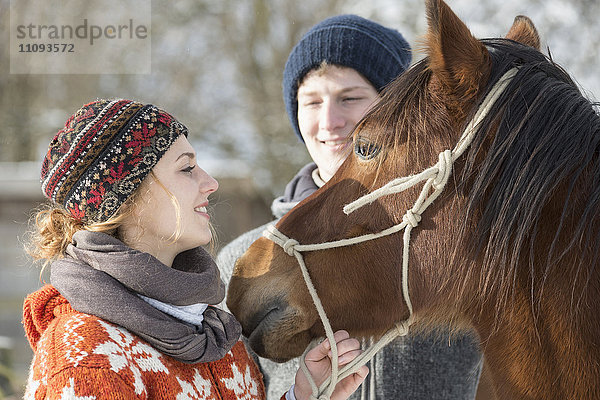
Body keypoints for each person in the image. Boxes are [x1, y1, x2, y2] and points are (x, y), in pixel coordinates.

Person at [22, 99, 369, 400]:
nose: (210, 183)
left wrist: (302, 395)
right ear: (128, 199)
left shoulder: (218, 337)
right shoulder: (87, 353)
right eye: (187, 169)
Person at [217, 15, 483, 400]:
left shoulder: (450, 250)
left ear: (395, 111)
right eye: (311, 101)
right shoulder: (241, 261)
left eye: (350, 98)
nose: (329, 122)